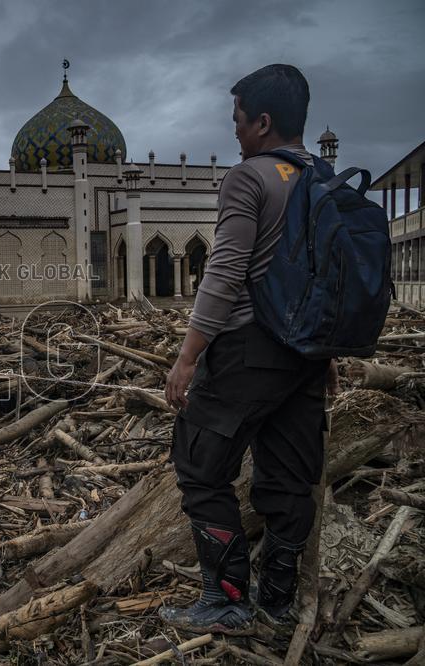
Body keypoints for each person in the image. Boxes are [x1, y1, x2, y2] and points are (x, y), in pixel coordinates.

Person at [160, 64, 340, 632]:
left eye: (238, 121)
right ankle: (279, 603)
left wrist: (188, 356)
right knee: (288, 478)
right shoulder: (324, 179)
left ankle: (227, 598)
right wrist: (325, 350)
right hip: (304, 354)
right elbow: (324, 277)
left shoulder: (249, 177)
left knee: (200, 465)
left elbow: (227, 270)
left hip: (247, 349)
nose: (234, 132)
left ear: (262, 122)